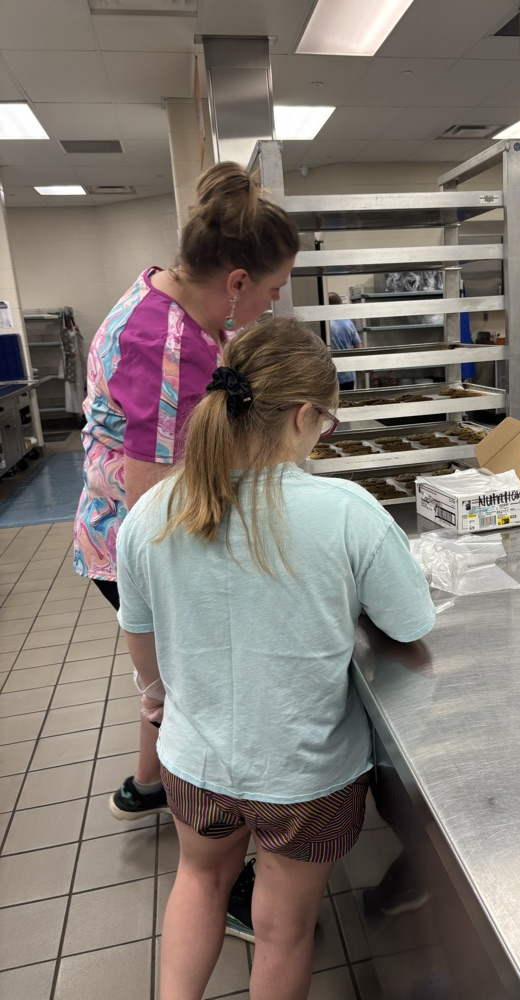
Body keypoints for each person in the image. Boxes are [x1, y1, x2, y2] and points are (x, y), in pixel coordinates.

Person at [115, 318, 435, 1000]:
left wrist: (155, 692)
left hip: (197, 762)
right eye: (328, 421)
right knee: (283, 930)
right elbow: (410, 624)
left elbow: (138, 631)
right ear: (301, 415)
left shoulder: (152, 514)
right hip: (305, 775)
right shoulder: (347, 511)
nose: (325, 434)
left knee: (199, 883)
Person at [72, 160, 300, 823]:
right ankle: (212, 843)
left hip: (106, 522)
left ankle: (147, 786)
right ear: (236, 282)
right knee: (191, 693)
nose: (273, 302)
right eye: (273, 287)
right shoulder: (165, 345)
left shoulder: (162, 298)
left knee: (168, 683)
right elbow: (154, 505)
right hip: (131, 540)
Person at [328, 291, 362, 391]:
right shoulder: (348, 323)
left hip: (331, 376)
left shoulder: (325, 325)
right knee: (348, 403)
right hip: (348, 374)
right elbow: (359, 347)